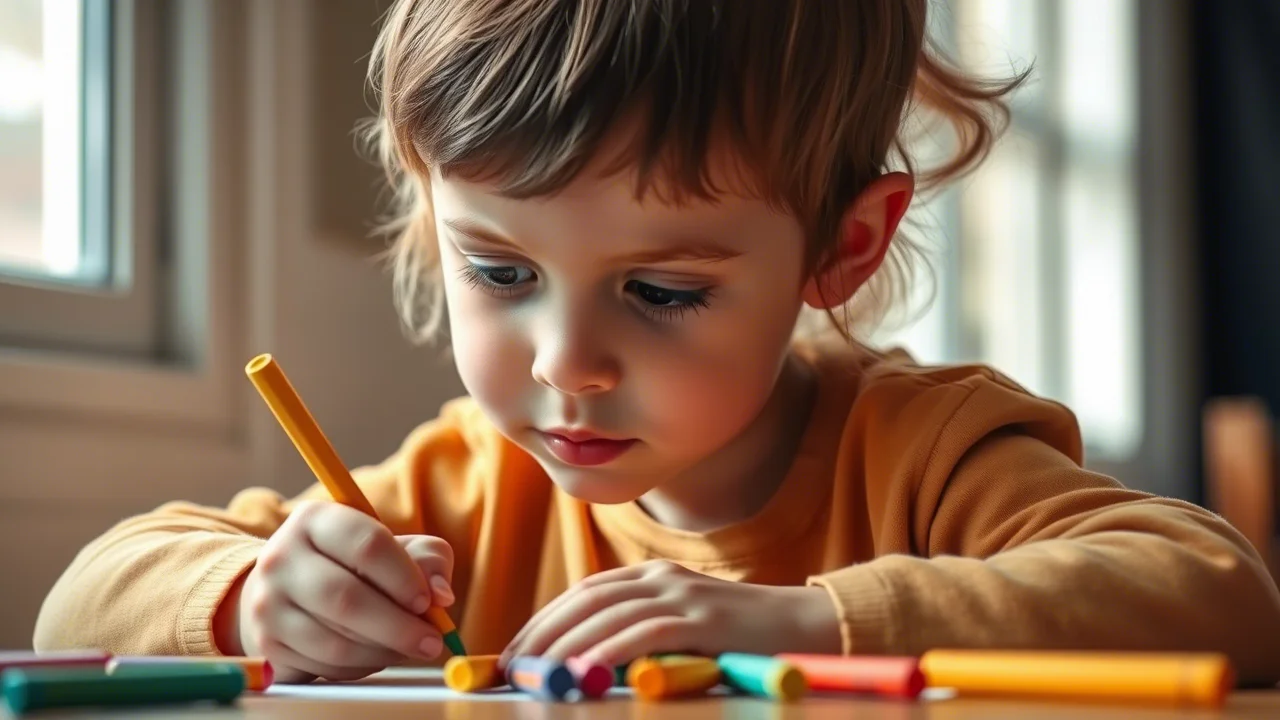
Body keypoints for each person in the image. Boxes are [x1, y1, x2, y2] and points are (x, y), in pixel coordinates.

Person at [34, 0, 1280, 687]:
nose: (562, 362)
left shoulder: (921, 454)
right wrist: (257, 598)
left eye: (664, 292)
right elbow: (78, 602)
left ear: (840, 248)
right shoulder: (471, 489)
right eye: (500, 271)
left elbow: (1218, 592)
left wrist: (795, 623)